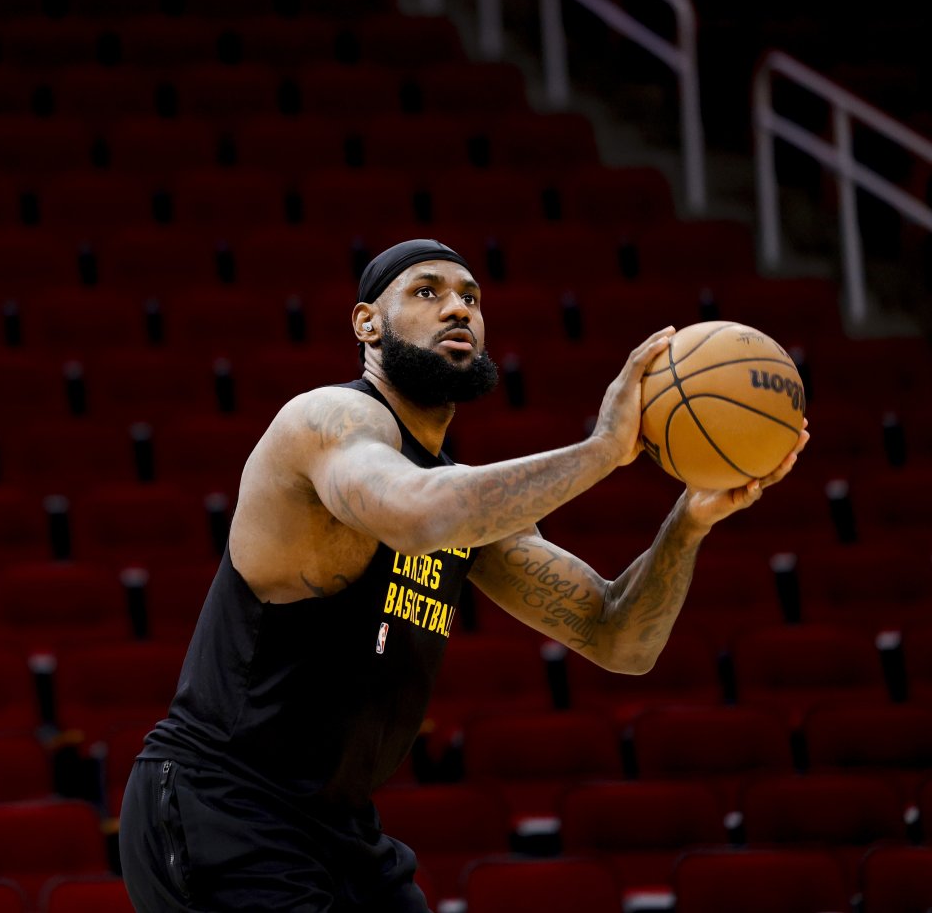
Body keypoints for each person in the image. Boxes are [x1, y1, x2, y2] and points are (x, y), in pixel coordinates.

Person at [118, 238, 809, 912]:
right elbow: (418, 517)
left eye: (471, 298)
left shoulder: (461, 495)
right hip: (221, 799)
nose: (459, 309)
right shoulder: (328, 420)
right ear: (366, 323)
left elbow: (618, 637)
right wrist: (604, 450)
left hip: (333, 824)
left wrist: (688, 522)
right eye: (428, 292)